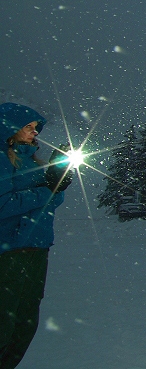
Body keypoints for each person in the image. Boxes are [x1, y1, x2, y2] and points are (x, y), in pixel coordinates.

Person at [1, 103, 69, 369]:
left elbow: (51, 201)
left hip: (36, 249)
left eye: (36, 128)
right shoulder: (2, 160)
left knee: (24, 325)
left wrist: (57, 182)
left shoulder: (32, 161)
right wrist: (47, 191)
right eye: (28, 127)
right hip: (9, 251)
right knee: (3, 324)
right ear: (9, 128)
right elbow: (3, 205)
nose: (34, 132)